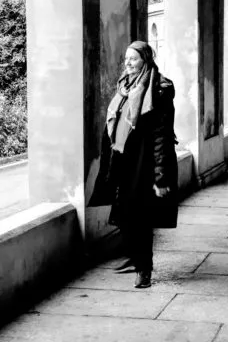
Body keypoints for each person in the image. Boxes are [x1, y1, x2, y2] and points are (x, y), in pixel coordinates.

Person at [90, 41, 178, 288]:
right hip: (120, 159)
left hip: (143, 162)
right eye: (126, 59)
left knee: (140, 216)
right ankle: (134, 257)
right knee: (123, 214)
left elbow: (161, 135)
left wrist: (160, 177)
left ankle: (144, 269)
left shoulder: (159, 89)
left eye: (134, 59)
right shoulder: (125, 85)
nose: (127, 63)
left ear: (146, 61)